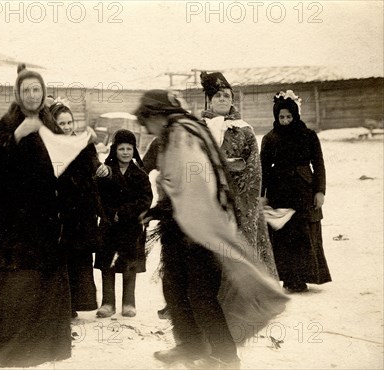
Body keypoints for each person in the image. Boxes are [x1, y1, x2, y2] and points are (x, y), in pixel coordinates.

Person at [134, 90, 288, 369]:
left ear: (159, 115)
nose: (146, 128)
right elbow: (178, 183)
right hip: (183, 226)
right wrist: (161, 210)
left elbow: (198, 185)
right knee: (175, 289)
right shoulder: (175, 134)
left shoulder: (183, 136)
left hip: (201, 229)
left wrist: (182, 220)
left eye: (147, 120)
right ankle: (191, 344)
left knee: (201, 296)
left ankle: (226, 356)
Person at [0, 65, 78, 367]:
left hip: (45, 216)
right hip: (12, 221)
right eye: (26, 90)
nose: (32, 95)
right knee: (16, 283)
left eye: (36, 89)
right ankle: (11, 349)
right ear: (18, 94)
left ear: (43, 92)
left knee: (43, 282)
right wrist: (18, 136)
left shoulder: (51, 122)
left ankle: (43, 346)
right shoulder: (7, 124)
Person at [200, 71, 278, 279]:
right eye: (218, 95)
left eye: (227, 95)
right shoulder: (198, 128)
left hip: (238, 199)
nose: (223, 99)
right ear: (209, 100)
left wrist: (241, 198)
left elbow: (254, 168)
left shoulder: (244, 131)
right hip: (206, 197)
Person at [261, 90, 331, 293]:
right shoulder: (270, 138)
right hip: (279, 191)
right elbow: (263, 169)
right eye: (281, 117)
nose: (285, 121)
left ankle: (307, 275)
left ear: (295, 115)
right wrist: (262, 195)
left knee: (305, 231)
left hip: (304, 190)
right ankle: (290, 278)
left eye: (289, 117)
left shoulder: (308, 136)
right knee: (283, 233)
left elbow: (319, 165)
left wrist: (319, 191)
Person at [50, 100, 110, 318]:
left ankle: (77, 303)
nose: (66, 127)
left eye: (69, 123)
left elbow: (94, 162)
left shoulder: (83, 143)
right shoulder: (48, 145)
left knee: (80, 257)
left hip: (82, 210)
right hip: (59, 209)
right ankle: (60, 305)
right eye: (61, 124)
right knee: (59, 257)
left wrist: (101, 169)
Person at [95, 129, 153, 318]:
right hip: (109, 226)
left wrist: (125, 212)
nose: (126, 152)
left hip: (131, 227)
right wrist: (110, 214)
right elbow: (98, 197)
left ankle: (128, 302)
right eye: (121, 149)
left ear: (134, 150)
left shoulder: (140, 174)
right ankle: (108, 303)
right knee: (108, 265)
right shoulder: (105, 172)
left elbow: (146, 199)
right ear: (114, 150)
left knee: (129, 264)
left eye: (129, 148)